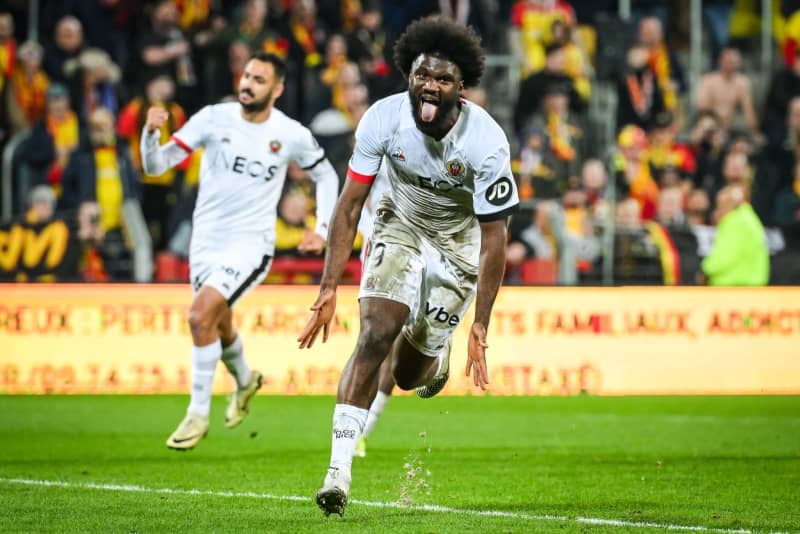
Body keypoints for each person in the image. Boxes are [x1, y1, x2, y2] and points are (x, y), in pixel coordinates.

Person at [297, 16, 519, 517]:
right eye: (423, 75)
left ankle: (433, 353)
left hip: (460, 245)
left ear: (462, 88)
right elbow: (350, 205)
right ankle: (338, 472)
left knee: (404, 372)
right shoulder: (382, 117)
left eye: (443, 79)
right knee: (374, 334)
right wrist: (329, 286)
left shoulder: (487, 143)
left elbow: (493, 239)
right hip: (399, 222)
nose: (430, 86)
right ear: (408, 74)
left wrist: (480, 323)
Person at [141, 52, 339, 450]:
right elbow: (156, 166)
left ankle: (197, 415)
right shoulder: (214, 118)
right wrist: (150, 136)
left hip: (251, 244)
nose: (248, 84)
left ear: (277, 89)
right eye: (246, 75)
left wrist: (321, 229)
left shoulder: (291, 133)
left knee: (199, 316)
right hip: (206, 243)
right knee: (218, 321)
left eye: (259, 79)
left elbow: (327, 175)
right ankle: (246, 378)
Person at [700, 184, 769, 286]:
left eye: (721, 205)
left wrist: (705, 269)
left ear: (731, 204)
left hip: (734, 287)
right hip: (751, 284)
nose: (719, 210)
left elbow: (725, 255)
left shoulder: (734, 222)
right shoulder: (750, 218)